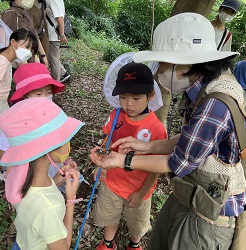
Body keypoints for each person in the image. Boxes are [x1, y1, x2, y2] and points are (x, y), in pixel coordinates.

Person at [90, 13, 246, 250]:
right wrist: (146, 146)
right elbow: (191, 139)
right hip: (189, 194)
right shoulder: (201, 89)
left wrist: (124, 160)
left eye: (163, 63)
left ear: (184, 61)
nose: (160, 70)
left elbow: (177, 162)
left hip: (210, 214)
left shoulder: (215, 104)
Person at [93, 62, 167, 250]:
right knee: (110, 214)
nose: (128, 103)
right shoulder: (116, 115)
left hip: (139, 186)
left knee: (137, 222)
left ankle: (135, 244)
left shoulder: (156, 129)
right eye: (123, 97)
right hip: (112, 181)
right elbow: (108, 141)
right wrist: (100, 165)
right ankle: (108, 241)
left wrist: (142, 192)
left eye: (136, 97)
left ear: (150, 95)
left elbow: (156, 166)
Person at [0, 98, 84, 249]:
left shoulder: (22, 177)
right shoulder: (48, 208)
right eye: (65, 138)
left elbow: (38, 195)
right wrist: (70, 200)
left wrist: (59, 179)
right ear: (48, 150)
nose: (69, 141)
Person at [0, 28, 38, 117]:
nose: (29, 53)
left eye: (31, 51)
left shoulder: (8, 61)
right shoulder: (2, 62)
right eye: (27, 47)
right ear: (13, 42)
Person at [1, 0, 49, 66]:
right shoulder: (10, 14)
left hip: (30, 58)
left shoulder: (27, 14)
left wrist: (43, 55)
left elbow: (35, 37)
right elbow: (3, 41)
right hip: (17, 62)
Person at [45, 0, 71, 82]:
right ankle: (63, 73)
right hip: (48, 34)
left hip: (52, 35)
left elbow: (60, 18)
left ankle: (55, 82)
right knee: (52, 57)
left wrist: (62, 34)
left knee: (54, 59)